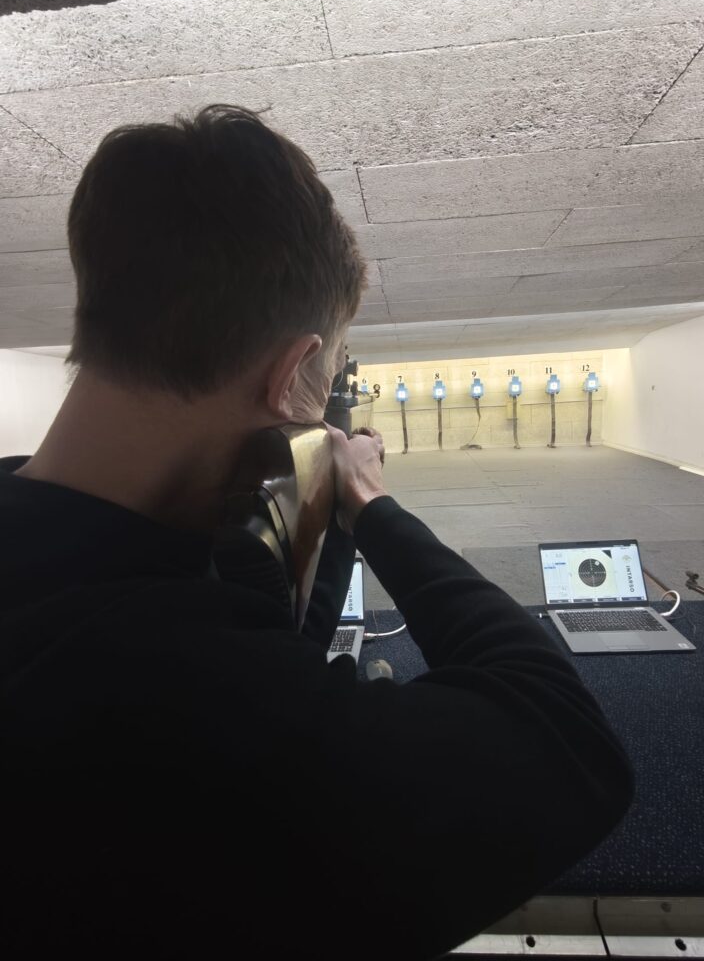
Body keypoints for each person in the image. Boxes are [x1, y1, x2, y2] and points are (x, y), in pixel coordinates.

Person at [0, 104, 633, 960]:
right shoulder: (198, 702)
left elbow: (271, 646)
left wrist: (312, 522)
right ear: (294, 370)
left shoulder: (126, 607)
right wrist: (371, 502)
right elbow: (567, 743)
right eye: (325, 373)